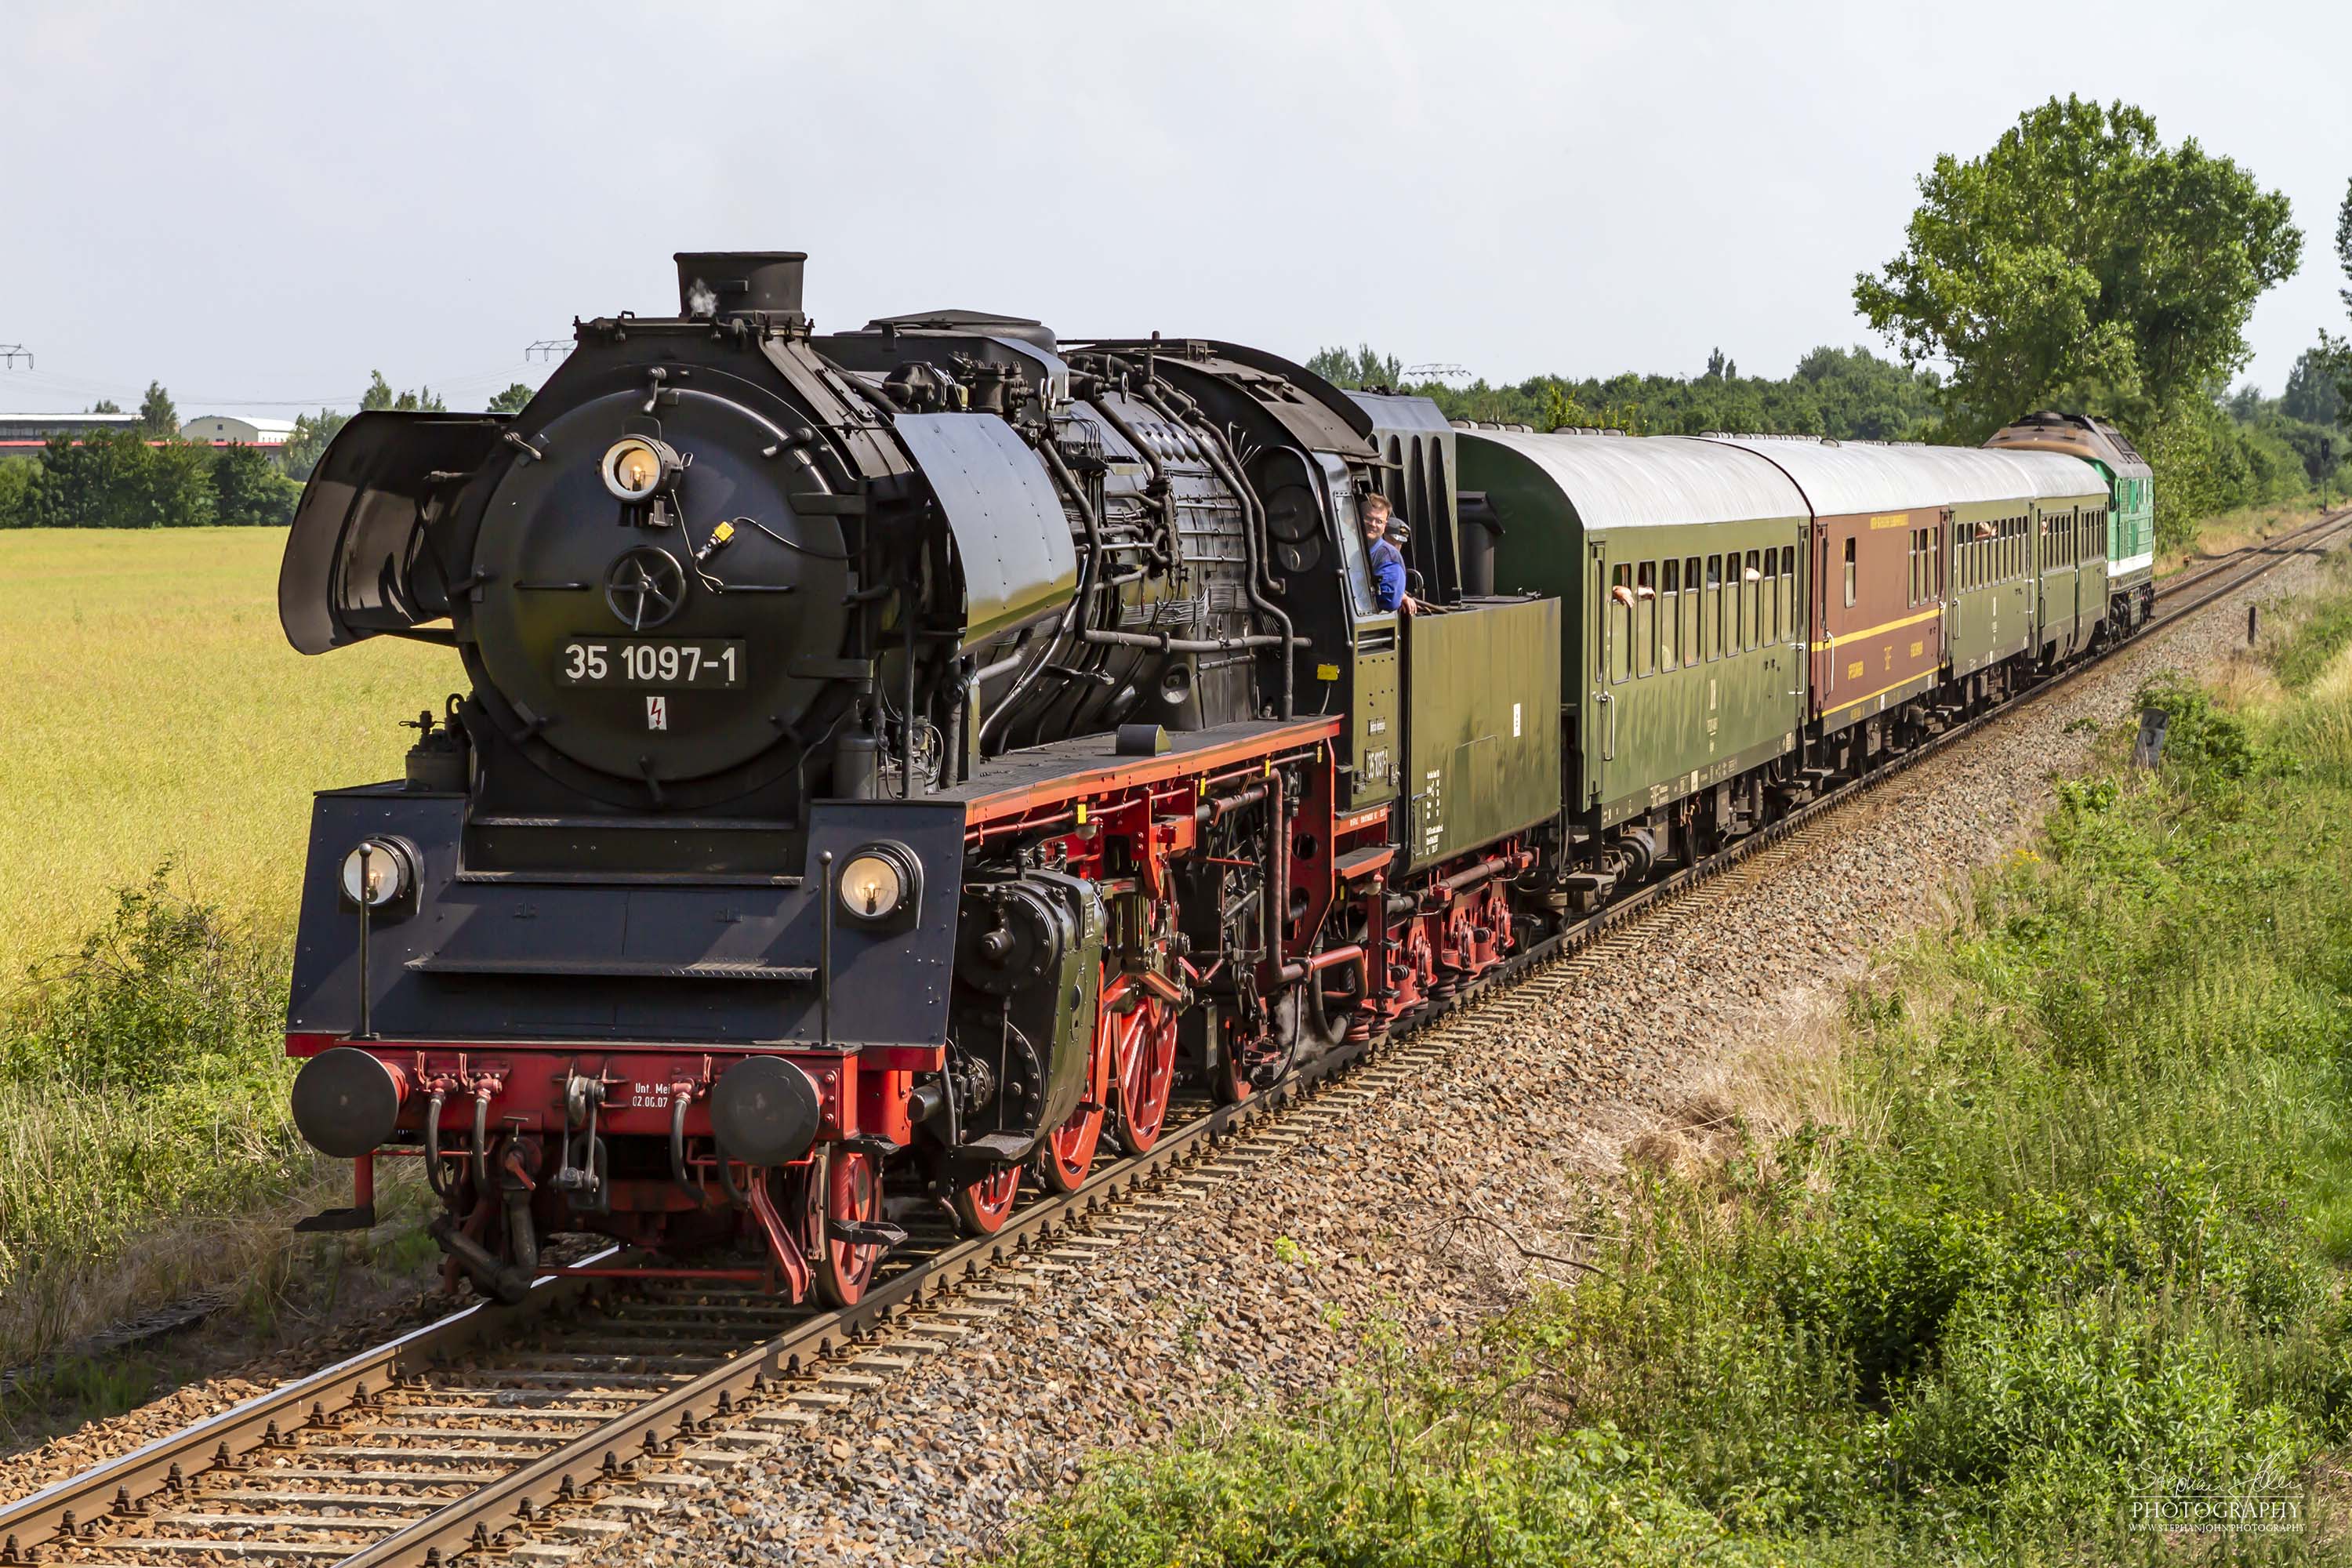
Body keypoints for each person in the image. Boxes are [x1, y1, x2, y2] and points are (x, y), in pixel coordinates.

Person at [1360, 492, 1415, 614]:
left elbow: (1390, 600)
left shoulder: (1389, 557)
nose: (1373, 524)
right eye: (1368, 518)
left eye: (1379, 521)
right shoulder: (1348, 546)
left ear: (1384, 526)